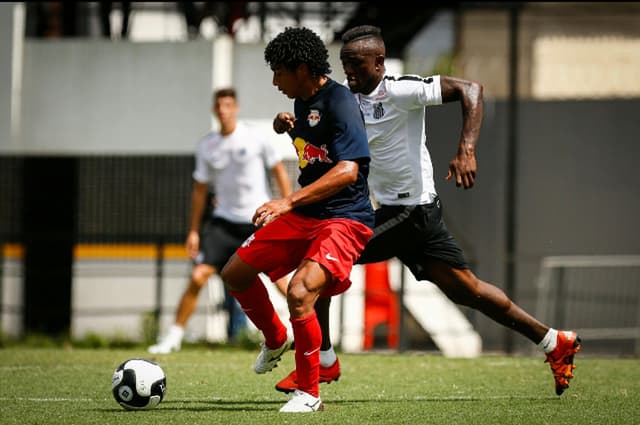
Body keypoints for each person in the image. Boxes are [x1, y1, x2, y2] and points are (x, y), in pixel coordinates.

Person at [272, 25, 582, 398]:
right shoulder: (347, 99)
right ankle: (553, 340)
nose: (349, 71)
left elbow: (472, 90)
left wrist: (466, 148)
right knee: (468, 290)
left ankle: (323, 362)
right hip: (404, 213)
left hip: (411, 212)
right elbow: (325, 140)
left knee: (320, 259)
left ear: (379, 62)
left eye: (356, 63)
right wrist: (293, 129)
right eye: (345, 64)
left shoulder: (402, 89)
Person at [219, 26, 375, 413]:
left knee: (301, 292)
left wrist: (287, 201)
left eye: (278, 72)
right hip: (307, 215)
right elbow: (317, 147)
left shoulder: (340, 101)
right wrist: (290, 127)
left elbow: (347, 171)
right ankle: (275, 338)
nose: (274, 81)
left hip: (344, 219)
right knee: (234, 274)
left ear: (302, 68)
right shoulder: (306, 102)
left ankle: (309, 395)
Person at [148, 87, 292, 354]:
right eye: (219, 106)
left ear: (235, 108)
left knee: (281, 279)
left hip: (256, 222)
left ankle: (311, 332)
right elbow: (200, 191)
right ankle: (173, 337)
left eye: (228, 105)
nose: (223, 110)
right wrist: (193, 231)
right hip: (223, 224)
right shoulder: (207, 146)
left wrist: (286, 207)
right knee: (198, 275)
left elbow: (279, 171)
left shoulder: (255, 138)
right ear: (215, 110)